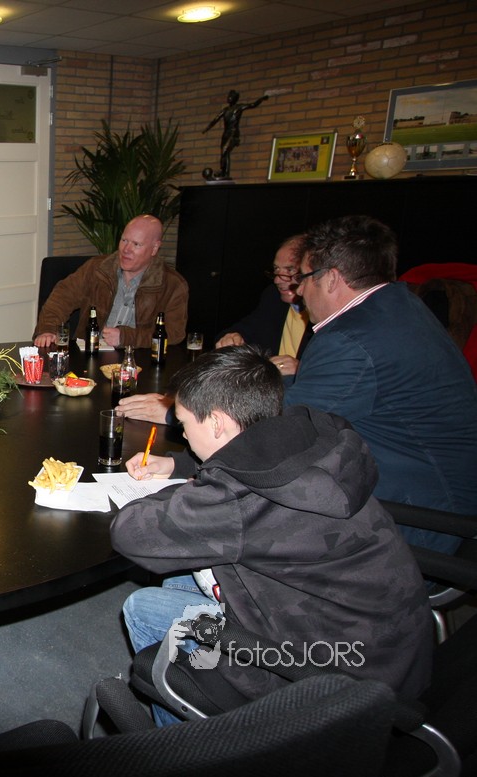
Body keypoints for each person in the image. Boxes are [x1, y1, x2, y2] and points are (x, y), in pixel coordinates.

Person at [113, 345, 432, 726]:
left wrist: (191, 489)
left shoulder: (239, 499)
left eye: (184, 425)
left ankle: (190, 744)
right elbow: (244, 462)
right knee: (179, 579)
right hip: (392, 651)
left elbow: (130, 533)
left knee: (143, 606)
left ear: (216, 423)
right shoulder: (314, 436)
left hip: (335, 681)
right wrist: (181, 465)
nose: (182, 434)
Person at [285, 214, 477, 551]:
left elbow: (286, 426)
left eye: (303, 278)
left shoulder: (351, 339)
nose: (298, 291)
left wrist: (197, 408)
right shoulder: (399, 306)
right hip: (447, 503)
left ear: (331, 279)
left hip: (417, 524)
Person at [33, 215, 187, 350]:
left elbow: (175, 334)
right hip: (90, 354)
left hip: (138, 360)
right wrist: (47, 329)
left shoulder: (173, 285)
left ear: (154, 248)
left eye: (136, 244)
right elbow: (62, 297)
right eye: (124, 240)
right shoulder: (96, 269)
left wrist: (126, 337)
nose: (126, 249)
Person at [214, 235, 311, 375]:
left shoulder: (326, 313)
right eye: (276, 270)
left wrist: (302, 369)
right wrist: (232, 337)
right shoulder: (274, 297)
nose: (277, 280)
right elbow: (247, 328)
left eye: (290, 270)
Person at [203, 89, 268, 180]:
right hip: (226, 134)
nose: (229, 98)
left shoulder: (239, 107)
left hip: (233, 132)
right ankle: (223, 171)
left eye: (231, 96)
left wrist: (261, 99)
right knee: (223, 153)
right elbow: (215, 120)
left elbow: (253, 105)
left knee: (226, 151)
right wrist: (207, 128)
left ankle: (225, 173)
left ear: (235, 98)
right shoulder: (225, 110)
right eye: (228, 96)